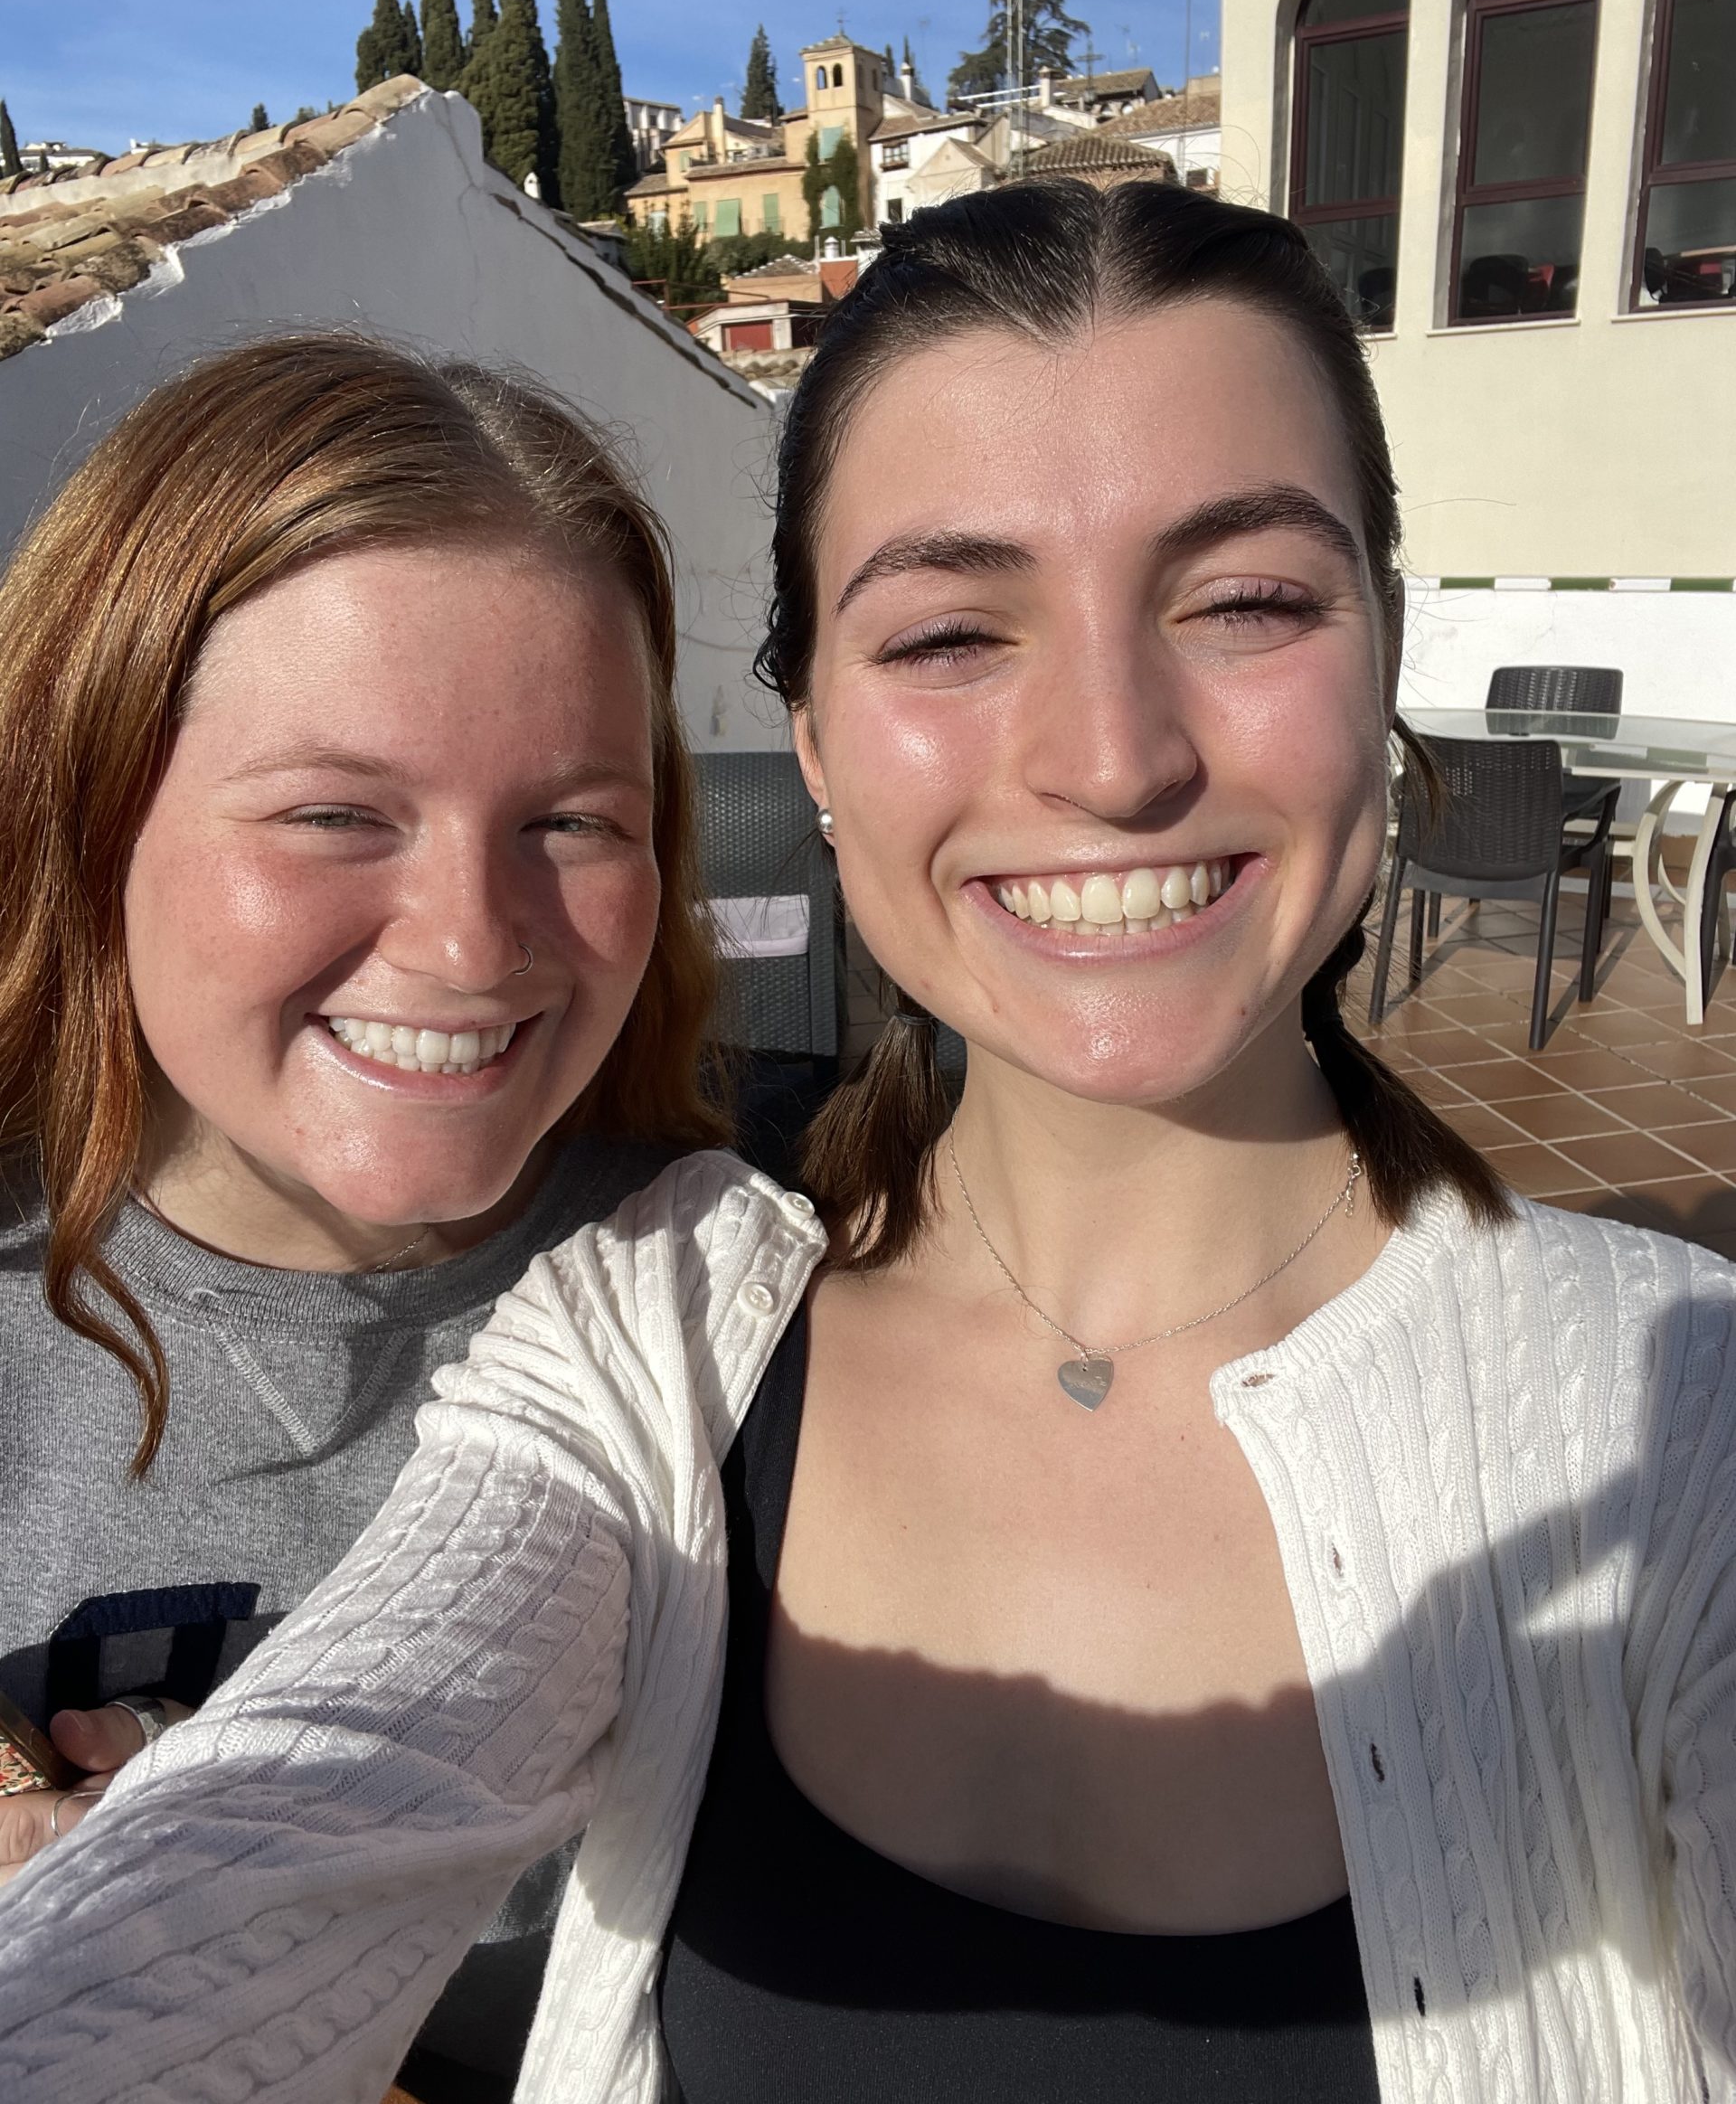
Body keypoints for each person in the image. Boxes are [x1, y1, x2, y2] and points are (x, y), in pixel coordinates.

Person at [3, 184, 1733, 2104]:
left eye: (1244, 597)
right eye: (949, 629)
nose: (1113, 752)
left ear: (1384, 646)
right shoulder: (646, 1342)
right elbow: (331, 1794)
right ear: (809, 738)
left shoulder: (1683, 1417)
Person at [0, 334, 726, 2101]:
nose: (471, 942)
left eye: (571, 818)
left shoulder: (751, 1308)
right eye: (337, 812)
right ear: (86, 815)